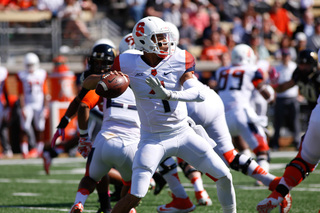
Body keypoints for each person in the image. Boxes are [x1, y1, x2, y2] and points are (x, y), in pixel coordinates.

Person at [89, 16, 237, 213]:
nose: (165, 42)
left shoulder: (179, 58)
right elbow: (87, 83)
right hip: (152, 138)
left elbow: (199, 93)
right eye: (158, 38)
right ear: (143, 41)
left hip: (183, 132)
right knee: (136, 194)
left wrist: (169, 94)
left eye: (165, 37)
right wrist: (102, 80)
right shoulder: (126, 62)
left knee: (224, 176)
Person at [256, 49, 320, 213]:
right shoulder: (301, 73)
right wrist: (274, 84)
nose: (304, 67)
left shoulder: (307, 74)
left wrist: (273, 84)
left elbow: (285, 87)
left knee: (304, 158)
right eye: (302, 64)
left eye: (307, 64)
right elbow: (284, 87)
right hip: (315, 112)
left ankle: (278, 194)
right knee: (304, 157)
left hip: (316, 114)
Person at [215, 44, 274, 182]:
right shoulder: (252, 69)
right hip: (241, 113)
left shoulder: (221, 71)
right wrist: (271, 96)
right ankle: (263, 178)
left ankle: (247, 163)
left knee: (235, 140)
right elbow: (264, 92)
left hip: (222, 116)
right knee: (263, 151)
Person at [16, 52, 50, 159]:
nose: (30, 68)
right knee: (25, 128)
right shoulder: (22, 75)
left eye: (32, 65)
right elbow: (20, 93)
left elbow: (45, 92)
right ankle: (24, 151)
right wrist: (22, 108)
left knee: (40, 128)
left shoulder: (42, 74)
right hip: (27, 104)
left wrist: (46, 107)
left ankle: (39, 150)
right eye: (28, 65)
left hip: (39, 105)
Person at [270, 48, 301, 150]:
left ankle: (297, 142)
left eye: (287, 55)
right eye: (284, 55)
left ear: (290, 56)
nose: (285, 57)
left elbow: (300, 81)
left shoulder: (294, 67)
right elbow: (274, 83)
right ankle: (275, 143)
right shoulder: (277, 68)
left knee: (295, 121)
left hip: (292, 97)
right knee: (277, 122)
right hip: (280, 98)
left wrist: (300, 94)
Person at [0, 63, 13, 158]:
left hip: (1, 103)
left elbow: (6, 90)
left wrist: (7, 105)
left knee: (3, 127)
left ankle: (7, 149)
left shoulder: (3, 72)